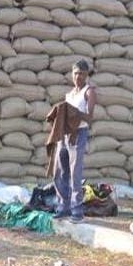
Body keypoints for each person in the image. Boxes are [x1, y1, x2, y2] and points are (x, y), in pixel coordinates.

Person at [54, 60, 97, 223]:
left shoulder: (89, 92)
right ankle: (63, 207)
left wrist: (75, 113)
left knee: (75, 172)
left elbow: (89, 118)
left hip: (79, 134)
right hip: (65, 134)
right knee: (60, 171)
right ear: (72, 74)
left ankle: (77, 210)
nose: (78, 76)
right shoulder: (70, 94)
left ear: (86, 75)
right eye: (76, 73)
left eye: (81, 74)